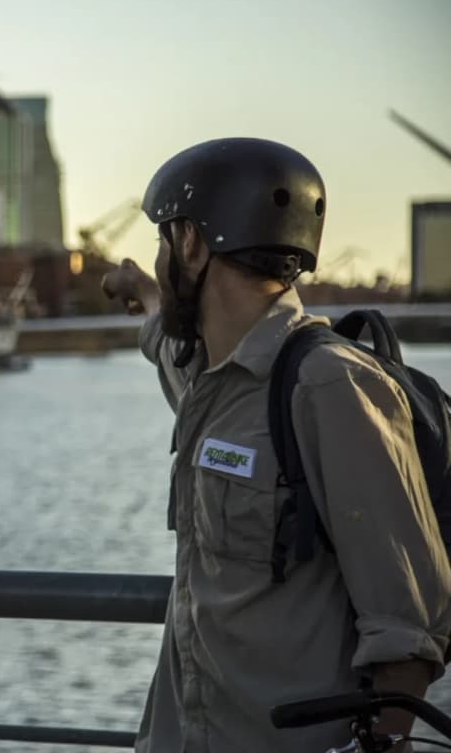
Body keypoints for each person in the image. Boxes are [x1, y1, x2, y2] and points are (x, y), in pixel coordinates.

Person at [101, 137, 451, 752]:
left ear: (192, 243)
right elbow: (168, 346)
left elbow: (408, 627)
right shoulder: (215, 384)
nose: (160, 257)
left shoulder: (329, 387)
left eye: (163, 241)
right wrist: (149, 297)